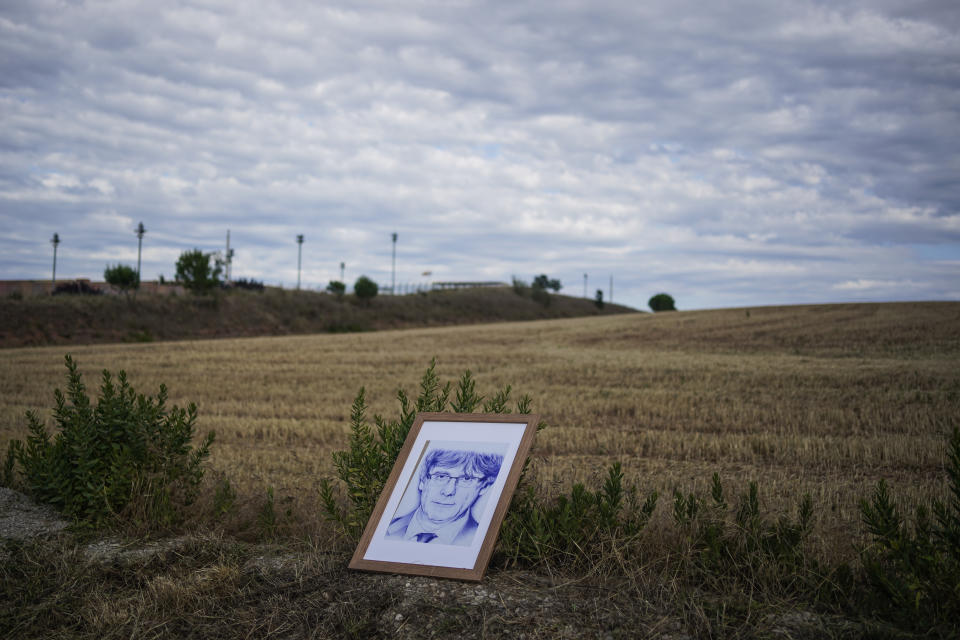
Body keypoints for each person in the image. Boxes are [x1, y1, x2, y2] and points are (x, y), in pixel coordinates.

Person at [386, 448, 503, 546]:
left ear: (484, 487)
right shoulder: (387, 528)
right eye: (441, 476)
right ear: (423, 479)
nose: (448, 491)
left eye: (466, 479)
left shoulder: (481, 539)